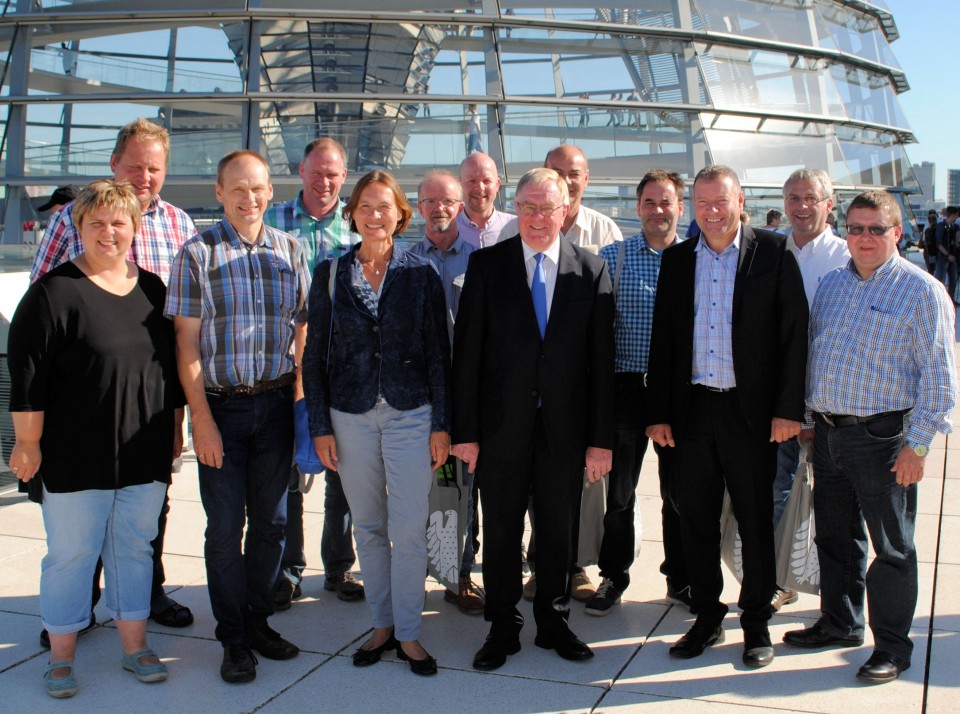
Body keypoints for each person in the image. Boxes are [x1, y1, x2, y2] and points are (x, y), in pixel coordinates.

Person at [9, 180, 181, 697]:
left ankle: (135, 646)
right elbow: (27, 377)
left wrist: (175, 432)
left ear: (134, 227)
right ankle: (61, 657)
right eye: (97, 223)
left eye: (119, 222)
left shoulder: (154, 289)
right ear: (78, 227)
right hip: (72, 453)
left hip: (142, 450)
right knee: (71, 555)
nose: (109, 232)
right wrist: (28, 444)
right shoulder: (52, 293)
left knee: (134, 550)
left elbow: (168, 374)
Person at [29, 118, 197, 641]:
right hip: (84, 392)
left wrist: (180, 410)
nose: (144, 177)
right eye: (134, 166)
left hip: (152, 389)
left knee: (148, 504)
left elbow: (190, 314)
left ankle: (145, 595)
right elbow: (43, 306)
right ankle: (76, 608)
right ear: (113, 165)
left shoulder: (179, 224)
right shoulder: (71, 221)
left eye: (154, 168)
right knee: (81, 514)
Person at [784, 191, 957, 684]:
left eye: (876, 229)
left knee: (893, 548)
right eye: (856, 228)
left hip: (885, 440)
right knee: (836, 539)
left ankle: (894, 648)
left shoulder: (922, 291)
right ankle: (840, 622)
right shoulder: (834, 285)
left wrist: (917, 446)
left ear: (897, 233)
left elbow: (941, 381)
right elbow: (817, 356)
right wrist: (809, 421)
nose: (864, 238)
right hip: (830, 436)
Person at [645, 165, 808, 670]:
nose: (712, 211)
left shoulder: (774, 253)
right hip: (692, 411)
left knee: (755, 519)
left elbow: (793, 335)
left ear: (741, 202)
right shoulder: (676, 260)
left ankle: (755, 619)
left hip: (751, 415)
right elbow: (664, 342)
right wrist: (658, 414)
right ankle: (707, 615)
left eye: (721, 201)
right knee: (694, 518)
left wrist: (787, 412)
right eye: (702, 202)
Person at [452, 167, 615, 671]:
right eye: (528, 207)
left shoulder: (590, 270)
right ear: (515, 209)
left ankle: (553, 621)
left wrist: (600, 441)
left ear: (566, 210)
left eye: (548, 208)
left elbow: (601, 365)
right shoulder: (486, 266)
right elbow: (467, 358)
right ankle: (502, 627)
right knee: (500, 533)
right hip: (500, 430)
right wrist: (466, 433)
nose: (538, 218)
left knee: (557, 532)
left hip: (564, 433)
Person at [165, 150, 310, 684]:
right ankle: (232, 639)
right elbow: (186, 345)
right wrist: (199, 419)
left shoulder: (289, 252)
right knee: (226, 529)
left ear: (271, 192)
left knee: (272, 524)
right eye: (238, 190)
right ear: (220, 193)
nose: (250, 198)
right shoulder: (196, 254)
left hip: (274, 406)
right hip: (221, 409)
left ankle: (258, 622)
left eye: (259, 189)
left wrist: (296, 394)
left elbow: (303, 327)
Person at [303, 170, 450, 676]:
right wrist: (319, 425)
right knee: (367, 525)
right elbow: (314, 357)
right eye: (365, 206)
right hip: (350, 416)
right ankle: (381, 624)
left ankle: (409, 633)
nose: (374, 215)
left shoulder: (420, 273)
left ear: (400, 213)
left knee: (408, 528)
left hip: (412, 414)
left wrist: (442, 425)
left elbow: (438, 355)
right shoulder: (330, 273)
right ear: (353, 212)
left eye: (384, 206)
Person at [501, 144, 623, 602]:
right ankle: (534, 575)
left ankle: (573, 569)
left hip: (571, 399)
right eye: (556, 172)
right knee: (520, 503)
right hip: (517, 403)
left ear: (582, 182)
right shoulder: (508, 240)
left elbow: (603, 331)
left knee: (577, 499)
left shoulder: (604, 236)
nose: (566, 180)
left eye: (573, 174)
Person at [262, 137, 364, 610]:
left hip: (342, 369)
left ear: (344, 177)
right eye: (316, 172)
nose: (324, 182)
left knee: (342, 477)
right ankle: (288, 568)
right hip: (283, 368)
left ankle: (340, 567)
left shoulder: (359, 225)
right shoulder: (270, 219)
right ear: (300, 170)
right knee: (288, 477)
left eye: (333, 174)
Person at [588, 170, 690, 616]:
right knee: (621, 495)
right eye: (649, 202)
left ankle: (681, 578)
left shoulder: (696, 258)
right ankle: (614, 576)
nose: (657, 210)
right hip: (627, 388)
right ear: (637, 208)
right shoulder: (614, 256)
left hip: (678, 393)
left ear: (679, 208)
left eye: (666, 202)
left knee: (680, 493)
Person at [770, 168, 850, 611]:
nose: (801, 206)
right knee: (778, 491)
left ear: (829, 204)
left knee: (830, 503)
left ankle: (834, 593)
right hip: (774, 401)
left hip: (825, 403)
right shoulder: (768, 251)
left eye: (811, 198)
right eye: (793, 197)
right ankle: (781, 576)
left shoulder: (845, 256)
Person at [409, 170, 483, 615]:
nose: (439, 208)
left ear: (461, 207)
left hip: (466, 395)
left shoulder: (483, 263)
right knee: (424, 489)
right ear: (419, 207)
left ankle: (461, 575)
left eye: (448, 201)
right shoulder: (404, 265)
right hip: (417, 399)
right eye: (430, 201)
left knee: (465, 488)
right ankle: (423, 570)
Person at [457, 152, 515, 249]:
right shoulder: (447, 233)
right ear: (460, 185)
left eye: (486, 181)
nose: (480, 188)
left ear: (497, 185)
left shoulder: (515, 228)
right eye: (472, 181)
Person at [934, 206, 958, 301]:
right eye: (956, 215)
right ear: (953, 215)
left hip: (952, 258)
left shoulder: (953, 227)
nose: (957, 218)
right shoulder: (941, 226)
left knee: (954, 279)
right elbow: (939, 244)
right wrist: (948, 255)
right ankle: (939, 300)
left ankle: (950, 299)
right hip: (942, 258)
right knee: (940, 280)